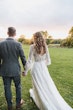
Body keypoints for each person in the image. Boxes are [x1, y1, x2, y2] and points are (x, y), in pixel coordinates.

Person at [23, 32, 73, 110]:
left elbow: (29, 60)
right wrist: (42, 64)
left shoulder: (32, 47)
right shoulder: (45, 46)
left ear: (35, 38)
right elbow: (48, 61)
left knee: (38, 84)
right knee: (45, 83)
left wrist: (25, 70)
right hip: (43, 68)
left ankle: (41, 99)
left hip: (35, 67)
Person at [0, 27, 26, 110]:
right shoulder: (18, 44)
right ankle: (18, 104)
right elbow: (23, 58)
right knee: (18, 86)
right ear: (15, 34)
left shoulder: (1, 44)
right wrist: (25, 69)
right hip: (15, 70)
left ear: (7, 33)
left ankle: (9, 106)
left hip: (5, 69)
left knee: (7, 87)